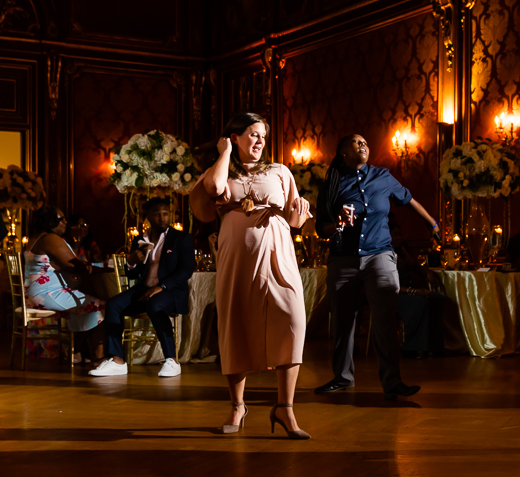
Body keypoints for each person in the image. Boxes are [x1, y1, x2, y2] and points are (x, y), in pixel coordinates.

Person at [193, 112, 311, 439]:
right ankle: (237, 405)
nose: (259, 141)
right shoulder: (221, 171)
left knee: (292, 319)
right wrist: (225, 152)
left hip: (278, 253)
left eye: (262, 136)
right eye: (252, 134)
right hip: (236, 257)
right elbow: (215, 188)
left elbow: (293, 213)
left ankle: (285, 409)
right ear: (234, 137)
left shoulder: (279, 171)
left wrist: (298, 222)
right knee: (236, 323)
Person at [314, 134, 439, 400]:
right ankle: (342, 378)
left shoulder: (382, 176)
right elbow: (321, 229)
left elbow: (408, 199)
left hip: (380, 255)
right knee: (343, 322)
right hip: (343, 259)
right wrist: (337, 223)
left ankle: (393, 382)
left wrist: (433, 224)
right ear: (342, 152)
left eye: (366, 142)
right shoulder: (332, 184)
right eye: (356, 142)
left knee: (385, 321)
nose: (363, 145)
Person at [89, 198, 195, 378]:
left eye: (165, 214)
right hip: (143, 290)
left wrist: (161, 286)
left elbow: (187, 269)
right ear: (148, 217)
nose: (162, 218)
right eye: (157, 214)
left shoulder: (180, 238)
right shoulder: (140, 239)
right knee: (114, 304)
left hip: (169, 292)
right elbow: (131, 274)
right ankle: (117, 361)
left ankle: (172, 360)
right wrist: (131, 263)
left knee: (155, 304)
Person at [24, 205, 105, 362]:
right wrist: (96, 269)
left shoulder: (36, 237)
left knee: (83, 302)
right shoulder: (50, 238)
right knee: (98, 303)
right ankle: (98, 357)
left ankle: (77, 351)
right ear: (50, 222)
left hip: (34, 294)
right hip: (46, 294)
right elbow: (73, 265)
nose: (65, 223)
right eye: (62, 219)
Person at [390, 215, 445, 359]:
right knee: (419, 302)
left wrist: (428, 272)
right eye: (395, 235)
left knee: (437, 299)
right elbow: (389, 284)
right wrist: (414, 292)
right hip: (393, 294)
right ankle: (411, 347)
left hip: (408, 291)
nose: (399, 237)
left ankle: (435, 345)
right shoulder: (382, 253)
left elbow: (415, 266)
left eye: (399, 234)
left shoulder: (402, 250)